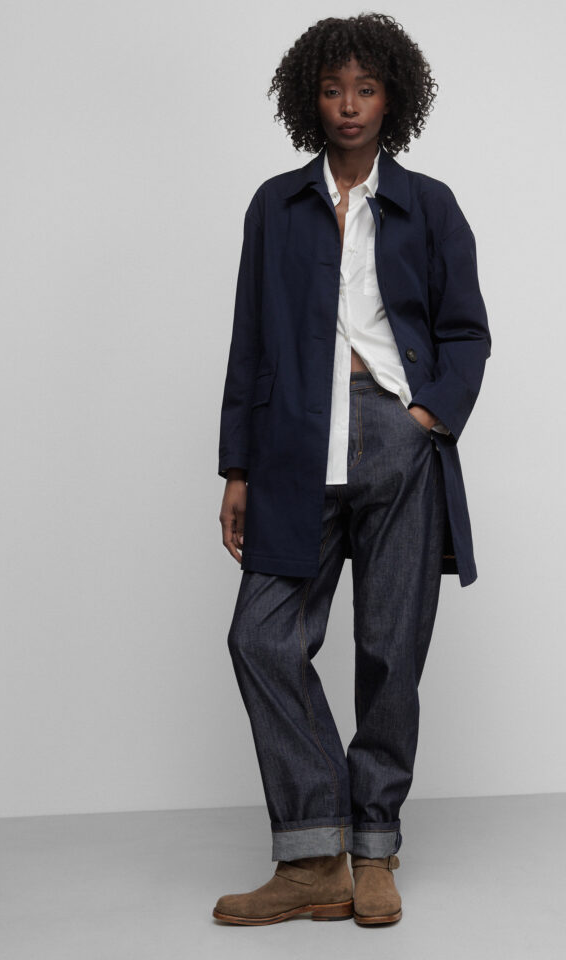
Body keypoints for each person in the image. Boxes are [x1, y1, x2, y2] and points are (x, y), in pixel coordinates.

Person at [212, 12, 491, 926]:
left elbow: (466, 334)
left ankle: (373, 850)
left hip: (396, 439)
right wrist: (238, 468)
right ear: (310, 99)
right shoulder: (274, 206)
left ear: (392, 99)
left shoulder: (430, 205)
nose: (348, 105)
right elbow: (250, 341)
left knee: (389, 651)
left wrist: (423, 420)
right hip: (294, 443)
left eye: (365, 89)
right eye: (333, 89)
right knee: (261, 637)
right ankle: (313, 854)